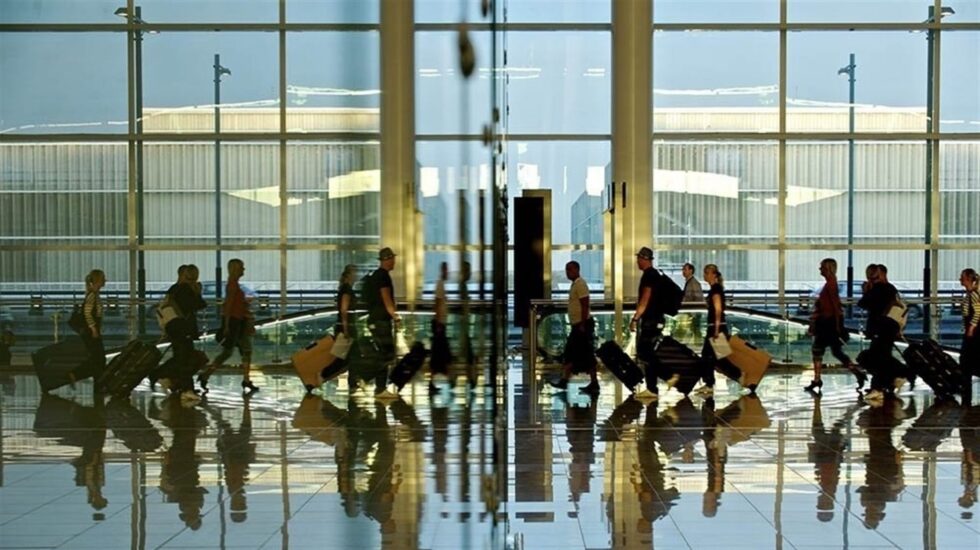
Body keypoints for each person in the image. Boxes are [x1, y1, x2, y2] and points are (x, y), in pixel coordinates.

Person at [805, 258, 867, 393]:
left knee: (818, 350)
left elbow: (833, 304)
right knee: (836, 352)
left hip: (827, 323)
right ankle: (857, 373)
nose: (820, 269)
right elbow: (835, 303)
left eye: (822, 267)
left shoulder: (831, 284)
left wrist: (838, 325)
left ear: (828, 268)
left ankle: (817, 379)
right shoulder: (831, 283)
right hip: (829, 322)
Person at [198, 259, 256, 394]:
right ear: (235, 269)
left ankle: (245, 379)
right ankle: (207, 375)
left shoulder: (233, 285)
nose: (243, 270)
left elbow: (230, 305)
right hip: (236, 323)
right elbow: (228, 305)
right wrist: (227, 325)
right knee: (237, 351)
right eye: (241, 267)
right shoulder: (232, 286)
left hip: (238, 322)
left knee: (236, 352)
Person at [159, 264, 208, 405]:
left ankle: (175, 382)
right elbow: (199, 304)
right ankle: (185, 388)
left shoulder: (173, 289)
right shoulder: (185, 289)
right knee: (185, 359)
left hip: (173, 328)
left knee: (180, 357)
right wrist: (198, 292)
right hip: (183, 329)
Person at [549, 261, 599, 395]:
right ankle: (566, 380)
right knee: (573, 352)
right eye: (566, 270)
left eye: (569, 270)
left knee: (582, 353)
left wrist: (582, 323)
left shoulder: (580, 285)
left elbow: (585, 304)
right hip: (578, 325)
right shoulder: (575, 285)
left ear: (577, 270)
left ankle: (590, 382)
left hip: (581, 325)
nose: (567, 272)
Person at [857, 263, 903, 402]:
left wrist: (866, 291)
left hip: (880, 328)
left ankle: (881, 385)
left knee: (876, 357)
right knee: (883, 356)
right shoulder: (891, 289)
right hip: (890, 327)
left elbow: (863, 303)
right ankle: (888, 382)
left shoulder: (878, 289)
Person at [364, 247, 401, 397]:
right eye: (392, 258)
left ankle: (378, 386)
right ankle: (374, 383)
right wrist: (396, 316)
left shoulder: (376, 275)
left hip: (375, 319)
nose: (394, 261)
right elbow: (386, 298)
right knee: (386, 355)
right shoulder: (383, 276)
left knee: (384, 355)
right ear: (386, 260)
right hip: (381, 321)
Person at [629, 247, 664, 398]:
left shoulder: (649, 275)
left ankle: (656, 385)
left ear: (644, 259)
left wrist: (635, 318)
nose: (637, 261)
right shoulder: (653, 274)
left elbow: (645, 298)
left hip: (651, 320)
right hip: (655, 319)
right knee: (648, 353)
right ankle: (657, 384)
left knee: (646, 352)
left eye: (638, 258)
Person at [696, 264, 726, 397]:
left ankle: (709, 383)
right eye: (704, 273)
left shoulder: (716, 290)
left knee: (710, 356)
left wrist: (716, 329)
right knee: (718, 357)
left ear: (714, 274)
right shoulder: (714, 289)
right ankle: (709, 383)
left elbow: (718, 310)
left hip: (715, 327)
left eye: (707, 273)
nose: (705, 276)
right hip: (715, 327)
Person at [429, 262, 452, 394]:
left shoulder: (441, 284)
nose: (447, 273)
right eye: (446, 270)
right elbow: (437, 303)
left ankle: (436, 381)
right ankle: (447, 380)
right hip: (440, 324)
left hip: (440, 322)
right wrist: (438, 322)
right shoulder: (440, 284)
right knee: (441, 354)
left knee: (439, 354)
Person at [80, 269, 107, 374]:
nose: (105, 281)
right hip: (92, 331)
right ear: (98, 280)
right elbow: (87, 313)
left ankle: (99, 380)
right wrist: (94, 329)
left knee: (97, 357)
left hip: (93, 330)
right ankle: (74, 374)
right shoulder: (92, 295)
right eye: (103, 279)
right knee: (98, 357)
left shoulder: (94, 294)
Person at [960, 268, 979, 403]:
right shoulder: (970, 293)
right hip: (972, 331)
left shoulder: (973, 294)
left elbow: (978, 312)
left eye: (962, 277)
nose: (960, 279)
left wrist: (971, 327)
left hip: (974, 332)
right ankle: (965, 389)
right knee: (968, 360)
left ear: (968, 279)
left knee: (966, 360)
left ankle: (966, 392)